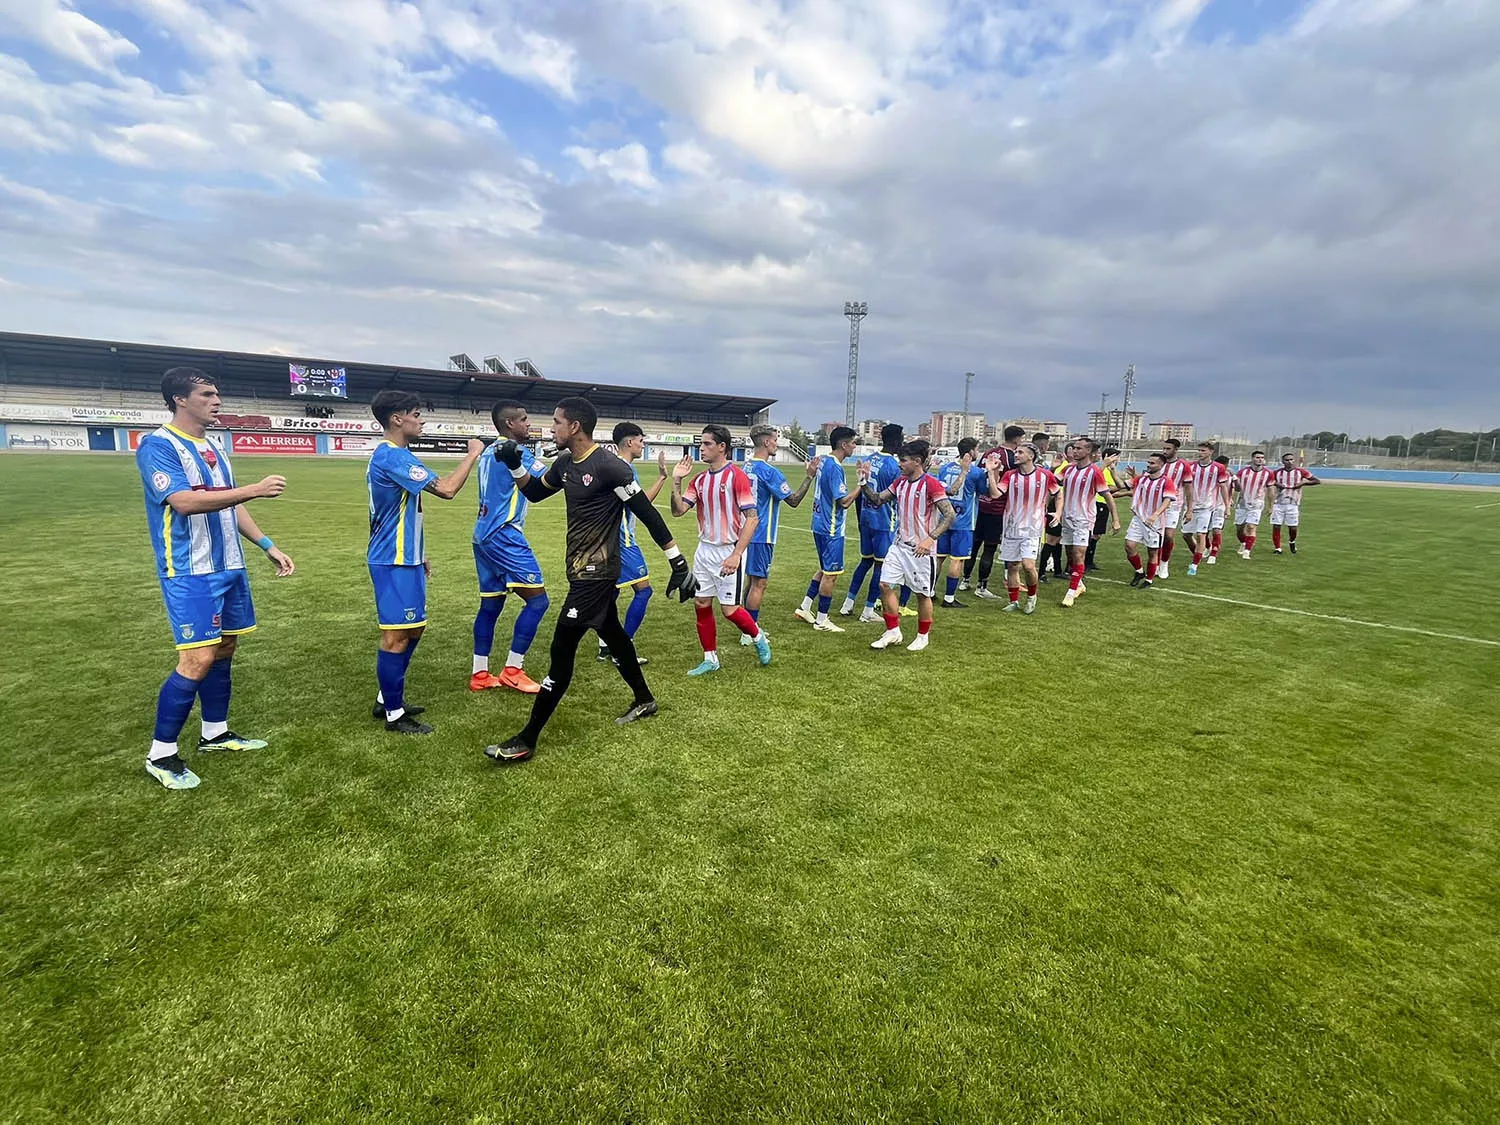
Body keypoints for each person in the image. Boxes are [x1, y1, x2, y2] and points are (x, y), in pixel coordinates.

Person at [482, 397, 695, 764]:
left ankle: (527, 739)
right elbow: (534, 491)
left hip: (597, 575)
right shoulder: (565, 463)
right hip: (579, 570)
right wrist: (516, 465)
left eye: (556, 422)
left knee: (560, 653)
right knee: (614, 636)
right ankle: (645, 700)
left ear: (575, 426)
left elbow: (646, 513)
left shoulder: (610, 467)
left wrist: (677, 562)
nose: (551, 428)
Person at [135, 367, 296, 790]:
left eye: (217, 393)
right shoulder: (158, 445)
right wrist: (253, 489)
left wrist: (267, 545)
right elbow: (184, 502)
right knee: (197, 658)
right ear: (179, 400)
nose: (216, 400)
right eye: (206, 394)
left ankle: (215, 733)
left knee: (224, 648)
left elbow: (229, 503)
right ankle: (161, 754)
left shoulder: (215, 446)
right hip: (190, 569)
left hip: (230, 566)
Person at [367, 390, 485, 735]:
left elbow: (398, 512)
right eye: (416, 414)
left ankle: (387, 698)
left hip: (407, 557)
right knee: (396, 636)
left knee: (413, 628)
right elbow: (447, 489)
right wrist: (472, 455)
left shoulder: (399, 455)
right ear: (396, 419)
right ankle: (393, 714)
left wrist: (420, 553)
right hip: (393, 559)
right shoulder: (392, 457)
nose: (421, 420)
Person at [670, 425, 772, 675]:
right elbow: (678, 511)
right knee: (701, 603)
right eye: (701, 444)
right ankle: (710, 659)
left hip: (728, 550)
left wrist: (736, 554)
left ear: (722, 447)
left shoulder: (736, 477)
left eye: (706, 444)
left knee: (730, 610)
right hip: (704, 551)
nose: (701, 449)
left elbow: (752, 518)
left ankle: (758, 637)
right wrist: (676, 481)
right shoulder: (700, 480)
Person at [469, 400, 550, 695]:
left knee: (491, 605)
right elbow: (546, 481)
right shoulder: (516, 452)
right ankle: (513, 670)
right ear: (509, 424)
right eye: (525, 419)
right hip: (504, 534)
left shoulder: (490, 452)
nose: (529, 424)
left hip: (483, 534)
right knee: (539, 602)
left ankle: (480, 674)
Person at [861, 440, 956, 651]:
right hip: (898, 546)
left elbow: (949, 514)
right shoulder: (900, 483)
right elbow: (877, 500)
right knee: (885, 585)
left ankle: (923, 636)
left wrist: (930, 539)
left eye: (903, 461)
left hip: (921, 551)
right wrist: (863, 483)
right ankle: (893, 631)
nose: (899, 465)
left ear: (917, 461)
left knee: (923, 594)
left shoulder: (931, 484)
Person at [594, 423, 671, 666]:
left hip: (604, 540)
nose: (643, 444)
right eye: (640, 440)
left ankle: (605, 645)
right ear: (629, 442)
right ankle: (622, 649)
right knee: (644, 590)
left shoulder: (607, 467)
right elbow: (642, 504)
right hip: (623, 541)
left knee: (612, 592)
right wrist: (661, 478)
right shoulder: (625, 470)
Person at [741, 423, 815, 639]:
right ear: (766, 442)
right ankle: (750, 632)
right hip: (761, 534)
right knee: (759, 583)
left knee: (751, 580)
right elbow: (793, 500)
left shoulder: (745, 466)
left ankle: (746, 626)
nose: (776, 444)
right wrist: (809, 476)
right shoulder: (769, 471)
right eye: (774, 439)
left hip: (744, 532)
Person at [796, 425, 859, 632]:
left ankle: (805, 607)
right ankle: (822, 620)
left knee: (824, 569)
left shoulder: (823, 461)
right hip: (831, 527)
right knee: (831, 574)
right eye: (852, 442)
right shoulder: (835, 467)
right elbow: (844, 502)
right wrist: (862, 485)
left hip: (819, 523)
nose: (855, 446)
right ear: (843, 444)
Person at [840, 423, 903, 618]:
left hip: (866, 519)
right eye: (901, 438)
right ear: (896, 441)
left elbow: (860, 492)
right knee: (881, 565)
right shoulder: (894, 466)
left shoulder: (868, 459)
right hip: (884, 522)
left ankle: (848, 603)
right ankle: (868, 610)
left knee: (865, 561)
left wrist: (860, 520)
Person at [935, 438, 1000, 608]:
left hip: (943, 520)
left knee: (938, 558)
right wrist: (991, 473)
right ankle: (949, 598)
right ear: (970, 452)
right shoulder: (975, 472)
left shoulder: (945, 468)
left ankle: (930, 592)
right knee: (957, 560)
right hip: (963, 522)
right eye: (977, 449)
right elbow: (988, 493)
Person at [995, 442, 1058, 614]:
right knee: (1013, 566)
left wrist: (1058, 513)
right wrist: (992, 473)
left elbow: (1058, 493)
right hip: (1011, 527)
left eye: (1020, 452)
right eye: (1016, 452)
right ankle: (1013, 601)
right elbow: (994, 494)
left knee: (1029, 566)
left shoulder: (1045, 475)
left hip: (1033, 528)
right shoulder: (1009, 475)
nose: (1016, 455)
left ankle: (1031, 597)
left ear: (1031, 456)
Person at [1056, 438, 1119, 607]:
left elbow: (1108, 496)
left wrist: (1116, 519)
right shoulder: (1068, 469)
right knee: (1070, 554)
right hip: (1067, 518)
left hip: (1084, 520)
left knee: (1078, 554)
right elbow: (1053, 481)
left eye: (1079, 448)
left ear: (1089, 452)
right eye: (1074, 448)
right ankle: (1080, 584)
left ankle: (1071, 592)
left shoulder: (1094, 472)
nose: (1074, 451)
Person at [970, 425, 1024, 597]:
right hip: (998, 506)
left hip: (981, 504)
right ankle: (982, 587)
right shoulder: (1011, 457)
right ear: (1016, 439)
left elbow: (979, 472)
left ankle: (965, 580)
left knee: (975, 544)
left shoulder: (989, 453)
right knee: (990, 548)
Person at [1124, 452, 1179, 589]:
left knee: (1152, 552)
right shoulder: (1142, 479)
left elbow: (1167, 501)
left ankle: (1149, 580)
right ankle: (1139, 571)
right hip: (1138, 518)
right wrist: (1112, 469)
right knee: (1129, 545)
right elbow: (1123, 485)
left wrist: (1155, 514)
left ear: (1161, 465)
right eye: (1148, 462)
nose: (1149, 465)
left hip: (1155, 522)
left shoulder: (1167, 482)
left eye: (1152, 463)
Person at [1181, 441, 1230, 576]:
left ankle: (1194, 564)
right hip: (1190, 506)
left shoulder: (1218, 468)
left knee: (1201, 534)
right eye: (1199, 450)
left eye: (1203, 451)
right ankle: (1201, 552)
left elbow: (1223, 487)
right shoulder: (1190, 467)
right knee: (1186, 535)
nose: (1200, 453)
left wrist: (1227, 506)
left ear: (1211, 452)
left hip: (1206, 508)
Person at [1086, 446, 1131, 572]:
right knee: (1094, 534)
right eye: (1116, 457)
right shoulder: (1103, 470)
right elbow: (1108, 490)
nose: (1118, 459)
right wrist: (1124, 491)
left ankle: (1089, 561)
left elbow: (1117, 488)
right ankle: (1086, 562)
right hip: (1098, 503)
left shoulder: (1110, 470)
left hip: (1103, 504)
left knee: (1097, 535)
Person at [1156, 437, 1194, 580]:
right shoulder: (1159, 462)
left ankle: (1164, 563)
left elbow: (1189, 488)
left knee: (1168, 535)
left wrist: (1190, 509)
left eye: (1168, 449)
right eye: (1164, 448)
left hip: (1174, 505)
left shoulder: (1184, 466)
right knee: (1156, 536)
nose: (1165, 451)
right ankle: (1155, 563)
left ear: (1176, 450)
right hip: (1156, 505)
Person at [1270, 453, 1322, 553]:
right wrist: (1277, 484)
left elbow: (1317, 481)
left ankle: (1292, 541)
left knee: (1293, 527)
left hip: (1293, 503)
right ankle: (1277, 548)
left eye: (1291, 460)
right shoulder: (1277, 472)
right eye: (1287, 460)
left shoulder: (1301, 471)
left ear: (1294, 460)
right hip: (1279, 503)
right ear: (1282, 461)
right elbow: (1269, 480)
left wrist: (1303, 483)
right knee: (1276, 525)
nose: (1289, 462)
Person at [1034, 433, 1067, 581]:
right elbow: (1051, 484)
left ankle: (1056, 569)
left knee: (1057, 539)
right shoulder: (1038, 462)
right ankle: (1040, 571)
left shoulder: (1065, 466)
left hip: (1056, 506)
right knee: (1050, 539)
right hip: (1047, 506)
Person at [1233, 450, 1274, 558]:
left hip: (1257, 503)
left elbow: (1270, 490)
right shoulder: (1243, 472)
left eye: (1262, 457)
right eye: (1257, 457)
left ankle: (1247, 551)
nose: (1260, 459)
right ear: (1252, 459)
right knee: (1239, 528)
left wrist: (1271, 506)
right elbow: (1236, 488)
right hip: (1242, 503)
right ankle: (1243, 543)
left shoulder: (1268, 473)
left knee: (1251, 526)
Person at [1208, 454, 1232, 563]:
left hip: (1220, 506)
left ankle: (1213, 553)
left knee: (1216, 530)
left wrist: (1228, 504)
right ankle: (1208, 547)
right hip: (1207, 506)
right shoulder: (1209, 474)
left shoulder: (1230, 476)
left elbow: (1233, 489)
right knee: (1203, 532)